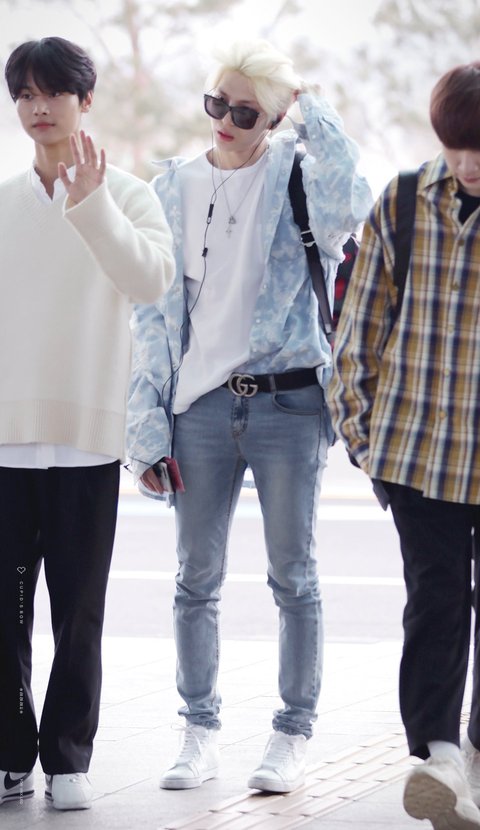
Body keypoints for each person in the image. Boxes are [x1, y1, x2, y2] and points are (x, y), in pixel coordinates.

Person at [127, 37, 372, 794]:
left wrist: (311, 111)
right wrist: (147, 428)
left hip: (288, 403)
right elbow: (153, 315)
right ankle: (198, 732)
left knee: (293, 576)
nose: (226, 122)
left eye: (246, 113)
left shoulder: (299, 176)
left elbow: (353, 203)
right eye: (217, 103)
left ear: (273, 119)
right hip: (199, 409)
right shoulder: (171, 187)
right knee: (194, 579)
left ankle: (291, 735)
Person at [0, 37, 174, 811]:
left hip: (87, 442)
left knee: (79, 612)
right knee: (4, 614)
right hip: (5, 441)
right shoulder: (3, 201)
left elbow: (150, 281)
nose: (38, 108)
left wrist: (92, 203)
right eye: (25, 95)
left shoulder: (127, 195)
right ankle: (10, 754)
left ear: (85, 101)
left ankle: (68, 757)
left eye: (53, 93)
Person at [328, 62, 480, 830]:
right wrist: (363, 439)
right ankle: (439, 757)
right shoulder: (403, 200)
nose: (469, 162)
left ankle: (472, 756)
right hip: (419, 454)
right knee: (435, 605)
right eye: (457, 144)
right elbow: (358, 328)